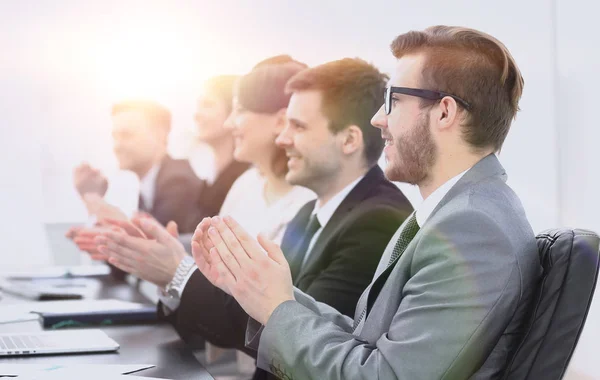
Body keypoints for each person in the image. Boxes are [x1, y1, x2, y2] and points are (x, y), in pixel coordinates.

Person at [193, 25, 542, 380]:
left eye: (394, 99)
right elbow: (366, 341)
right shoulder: (456, 211)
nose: (378, 118)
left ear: (444, 113)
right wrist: (270, 295)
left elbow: (384, 376)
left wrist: (278, 307)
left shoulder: (472, 228)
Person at [96, 58, 412, 380]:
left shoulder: (376, 221)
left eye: (298, 127)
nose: (282, 138)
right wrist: (180, 273)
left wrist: (178, 273)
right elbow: (269, 324)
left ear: (349, 141)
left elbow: (293, 340)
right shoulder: (310, 214)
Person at [69, 77, 249, 255]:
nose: (117, 145)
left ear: (160, 135)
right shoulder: (151, 184)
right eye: (115, 136)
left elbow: (153, 253)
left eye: (127, 135)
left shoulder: (178, 181)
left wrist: (93, 199)